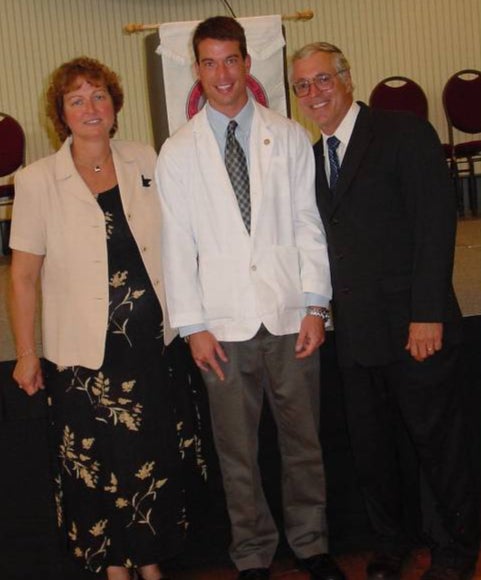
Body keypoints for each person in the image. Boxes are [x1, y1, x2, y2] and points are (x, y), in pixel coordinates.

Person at [155, 15, 345, 580]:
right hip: (221, 328)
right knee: (237, 455)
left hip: (290, 317)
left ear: (247, 63)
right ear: (196, 70)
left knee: (304, 444)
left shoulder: (286, 135)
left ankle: (312, 546)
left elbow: (310, 226)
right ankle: (253, 555)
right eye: (210, 62)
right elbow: (176, 247)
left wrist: (316, 306)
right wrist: (192, 327)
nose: (222, 73)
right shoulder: (179, 151)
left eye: (231, 60)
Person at [291, 42, 480, 580]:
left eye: (322, 79)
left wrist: (427, 314)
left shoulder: (403, 133)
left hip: (413, 326)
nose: (314, 92)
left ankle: (455, 549)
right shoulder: (308, 159)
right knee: (375, 452)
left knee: (436, 445)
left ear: (347, 79)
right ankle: (393, 543)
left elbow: (434, 226)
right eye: (302, 85)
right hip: (356, 334)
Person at [9, 56, 196, 580]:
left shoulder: (146, 159)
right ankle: (114, 567)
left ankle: (152, 562)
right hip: (83, 356)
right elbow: (22, 277)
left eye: (99, 96)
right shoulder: (37, 180)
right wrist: (26, 354)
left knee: (152, 459)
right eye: (77, 99)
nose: (90, 107)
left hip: (152, 349)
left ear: (114, 107)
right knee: (96, 468)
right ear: (61, 115)